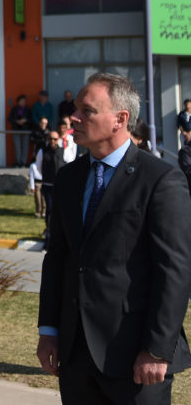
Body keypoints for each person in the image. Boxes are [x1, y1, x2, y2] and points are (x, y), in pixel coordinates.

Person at [37, 73, 191, 403]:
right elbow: (58, 258)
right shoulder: (69, 178)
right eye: (75, 109)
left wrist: (156, 349)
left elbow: (174, 271)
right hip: (77, 355)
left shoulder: (161, 180)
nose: (73, 118)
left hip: (137, 358)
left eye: (86, 110)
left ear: (120, 119)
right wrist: (49, 330)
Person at [34, 129, 64, 226]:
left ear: (58, 139)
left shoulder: (63, 151)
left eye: (55, 139)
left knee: (60, 208)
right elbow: (38, 167)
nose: (52, 141)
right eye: (50, 139)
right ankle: (48, 228)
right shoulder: (42, 152)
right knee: (50, 208)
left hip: (60, 185)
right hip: (47, 185)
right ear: (47, 139)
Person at [8, 94, 30, 168]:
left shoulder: (27, 109)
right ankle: (18, 162)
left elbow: (30, 119)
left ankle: (23, 162)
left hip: (25, 130)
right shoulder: (14, 109)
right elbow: (10, 118)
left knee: (25, 146)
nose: (23, 102)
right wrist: (17, 121)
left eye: (24, 101)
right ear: (18, 102)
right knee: (17, 146)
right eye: (22, 101)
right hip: (16, 129)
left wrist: (25, 120)